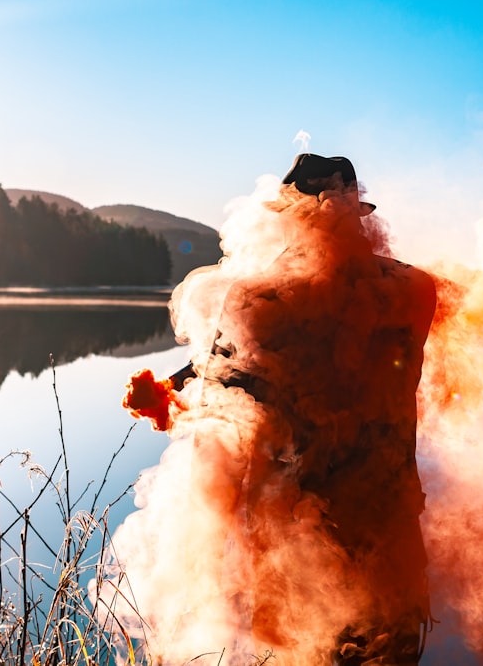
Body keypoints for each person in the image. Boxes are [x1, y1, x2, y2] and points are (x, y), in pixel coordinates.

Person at [125, 154, 436, 664]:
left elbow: (228, 384)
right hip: (391, 528)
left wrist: (174, 384)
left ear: (297, 217)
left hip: (295, 538)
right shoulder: (413, 291)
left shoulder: (258, 303)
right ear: (358, 215)